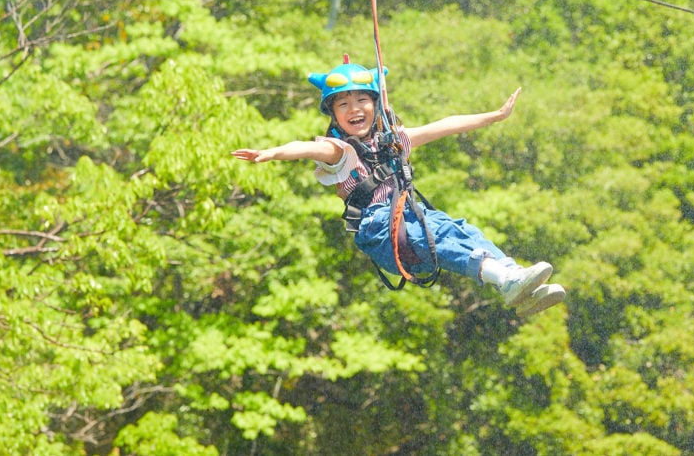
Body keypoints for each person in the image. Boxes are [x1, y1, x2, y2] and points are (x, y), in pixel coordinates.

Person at [232, 57, 565, 316]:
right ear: (334, 115)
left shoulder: (393, 142)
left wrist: (492, 116)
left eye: (362, 100)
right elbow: (304, 147)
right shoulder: (341, 152)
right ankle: (504, 279)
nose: (354, 110)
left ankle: (512, 278)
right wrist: (270, 153)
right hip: (381, 231)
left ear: (376, 105)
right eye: (343, 105)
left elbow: (444, 126)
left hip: (409, 214)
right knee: (436, 237)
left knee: (461, 230)